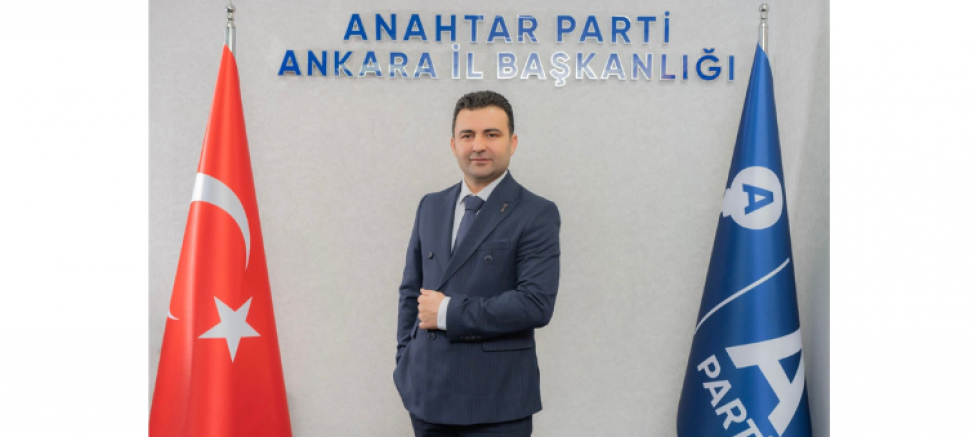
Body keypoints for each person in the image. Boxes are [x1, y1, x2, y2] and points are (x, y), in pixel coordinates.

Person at [393, 90, 561, 437]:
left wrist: (447, 312)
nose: (478, 146)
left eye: (491, 134)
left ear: (512, 143)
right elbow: (411, 291)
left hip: (496, 403)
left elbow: (535, 304)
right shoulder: (430, 205)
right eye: (467, 135)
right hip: (427, 396)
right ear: (453, 144)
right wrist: (405, 361)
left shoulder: (537, 213)